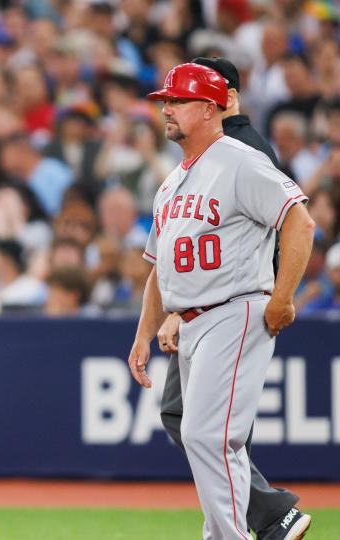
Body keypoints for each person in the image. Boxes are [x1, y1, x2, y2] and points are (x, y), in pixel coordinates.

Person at [129, 62, 314, 540]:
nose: (166, 109)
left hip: (235, 308)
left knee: (208, 436)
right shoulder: (172, 181)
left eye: (177, 101)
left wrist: (283, 297)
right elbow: (159, 266)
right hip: (193, 319)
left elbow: (300, 221)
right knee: (206, 438)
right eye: (165, 101)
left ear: (210, 109)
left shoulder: (239, 159)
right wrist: (143, 333)